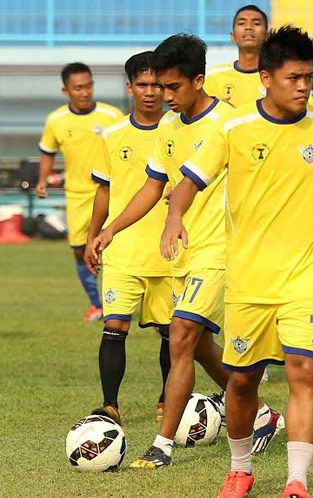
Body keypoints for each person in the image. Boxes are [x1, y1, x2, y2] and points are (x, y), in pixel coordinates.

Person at [164, 26, 313, 497]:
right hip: (249, 281)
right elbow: (189, 181)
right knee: (242, 381)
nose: (303, 87)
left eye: (309, 78)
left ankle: (297, 481)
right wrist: (175, 217)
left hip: (306, 278)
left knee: (302, 370)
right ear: (266, 77)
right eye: (294, 78)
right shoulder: (233, 131)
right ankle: (240, 469)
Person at [87, 34, 282, 469]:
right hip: (181, 254)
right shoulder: (169, 129)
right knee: (200, 348)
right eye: (159, 86)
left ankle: (162, 445)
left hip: (219, 250)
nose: (165, 96)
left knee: (180, 337)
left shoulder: (233, 124)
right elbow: (152, 185)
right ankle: (265, 415)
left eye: (173, 88)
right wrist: (111, 229)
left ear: (199, 80)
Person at [84, 52, 172, 424]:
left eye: (157, 85)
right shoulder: (113, 134)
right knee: (114, 325)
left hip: (170, 251)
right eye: (142, 84)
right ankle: (110, 406)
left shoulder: (180, 129)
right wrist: (93, 236)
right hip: (123, 250)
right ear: (129, 87)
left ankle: (169, 401)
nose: (150, 92)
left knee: (173, 333)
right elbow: (104, 191)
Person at [37, 62, 123, 322]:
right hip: (76, 195)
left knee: (115, 248)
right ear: (66, 90)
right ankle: (96, 304)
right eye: (78, 88)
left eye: (88, 86)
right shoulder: (56, 120)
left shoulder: (112, 116)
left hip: (110, 192)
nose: (84, 92)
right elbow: (47, 153)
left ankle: (117, 301)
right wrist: (42, 180)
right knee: (79, 250)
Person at [203, 4, 313, 108]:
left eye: (256, 23)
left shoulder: (279, 77)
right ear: (232, 36)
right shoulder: (211, 77)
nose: (249, 27)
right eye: (242, 23)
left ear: (267, 35)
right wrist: (217, 111)